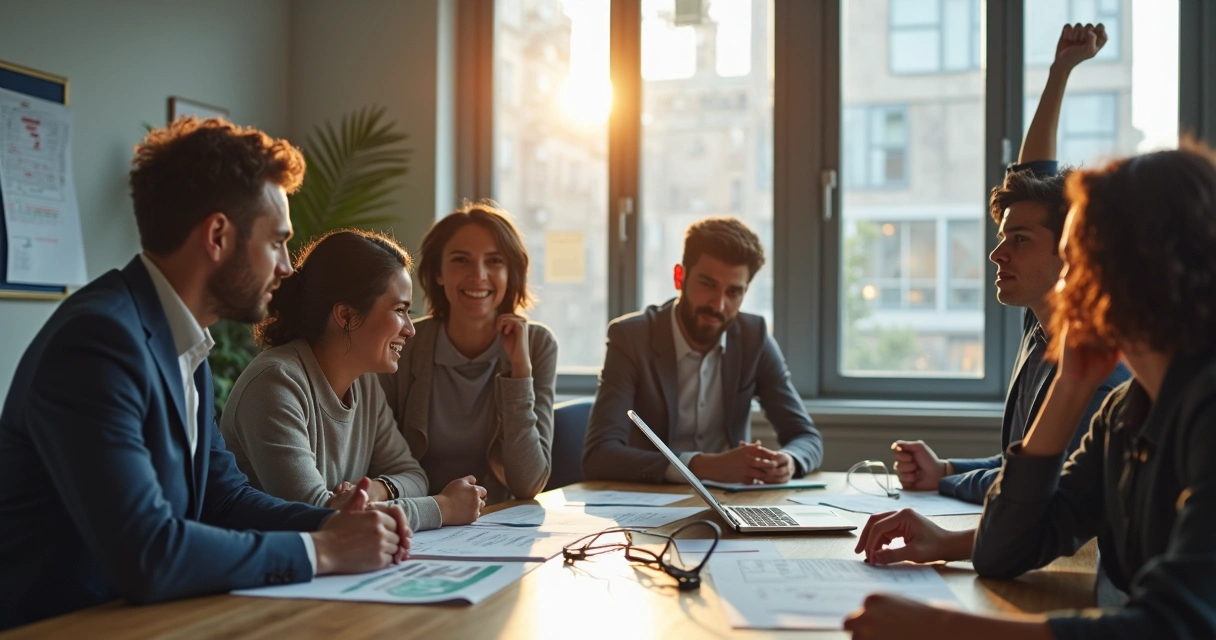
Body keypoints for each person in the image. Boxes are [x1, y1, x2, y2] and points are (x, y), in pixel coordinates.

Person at [0, 118, 410, 630]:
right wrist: (321, 550)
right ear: (218, 235)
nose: (287, 267)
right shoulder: (98, 343)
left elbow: (223, 496)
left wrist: (335, 521)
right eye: (277, 242)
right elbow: (147, 552)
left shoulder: (181, 337)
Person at [847, 141, 1216, 639]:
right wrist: (1069, 386)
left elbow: (1174, 626)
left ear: (1140, 266)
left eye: (1080, 257)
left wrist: (947, 628)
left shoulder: (1206, 407)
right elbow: (1004, 550)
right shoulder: (1125, 412)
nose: (1069, 283)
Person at [891, 23, 1128, 504]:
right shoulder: (1039, 322)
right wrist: (1060, 70)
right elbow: (1022, 459)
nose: (998, 255)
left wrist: (944, 480)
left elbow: (1039, 486)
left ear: (1071, 251)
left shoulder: (1095, 364)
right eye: (1003, 238)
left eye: (1018, 240)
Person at [220, 229, 487, 531]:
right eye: (400, 310)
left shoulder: (364, 382)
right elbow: (320, 516)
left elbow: (412, 474)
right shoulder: (275, 384)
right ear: (346, 315)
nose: (410, 330)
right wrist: (443, 507)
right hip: (274, 572)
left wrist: (377, 488)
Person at [582, 217, 823, 484]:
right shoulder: (631, 338)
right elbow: (600, 455)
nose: (718, 305)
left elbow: (806, 437)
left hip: (731, 502)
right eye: (707, 284)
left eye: (733, 292)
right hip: (651, 500)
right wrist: (701, 466)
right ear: (679, 277)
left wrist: (789, 461)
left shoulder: (754, 338)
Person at [378, 201, 556, 505]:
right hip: (418, 518)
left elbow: (528, 483)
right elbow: (382, 463)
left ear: (511, 272)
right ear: (438, 273)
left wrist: (519, 372)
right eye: (461, 260)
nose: (479, 274)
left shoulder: (537, 344)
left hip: (497, 524)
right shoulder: (404, 342)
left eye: (495, 261)